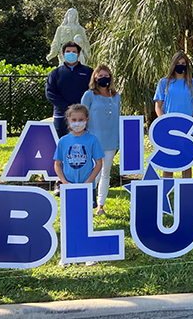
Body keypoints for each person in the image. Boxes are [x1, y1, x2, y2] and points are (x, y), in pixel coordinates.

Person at [54, 104, 105, 266]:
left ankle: (87, 253)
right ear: (68, 121)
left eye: (81, 120)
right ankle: (67, 254)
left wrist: (89, 181)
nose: (77, 122)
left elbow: (98, 163)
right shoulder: (64, 141)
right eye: (74, 120)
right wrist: (64, 181)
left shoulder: (92, 140)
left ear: (87, 120)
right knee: (68, 220)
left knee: (85, 220)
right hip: (69, 188)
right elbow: (57, 164)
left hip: (86, 188)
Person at [46, 41, 93, 195]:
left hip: (83, 118)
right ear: (63, 54)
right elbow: (50, 93)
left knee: (84, 149)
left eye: (74, 51)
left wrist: (81, 111)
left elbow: (94, 91)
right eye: (68, 51)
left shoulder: (88, 72)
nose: (70, 53)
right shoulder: (56, 73)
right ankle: (60, 182)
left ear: (79, 54)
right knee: (63, 149)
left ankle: (87, 182)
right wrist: (68, 108)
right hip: (61, 116)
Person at [153, 51, 193, 178]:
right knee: (168, 163)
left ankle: (186, 192)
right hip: (169, 130)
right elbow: (158, 106)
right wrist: (164, 123)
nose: (181, 66)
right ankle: (166, 193)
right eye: (178, 63)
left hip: (187, 130)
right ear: (173, 65)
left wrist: (191, 125)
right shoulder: (164, 82)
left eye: (183, 63)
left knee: (186, 163)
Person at [81, 65, 120, 216]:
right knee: (93, 173)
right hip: (93, 141)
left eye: (107, 75)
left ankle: (100, 206)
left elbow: (118, 118)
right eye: (100, 75)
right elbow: (82, 116)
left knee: (106, 173)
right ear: (95, 78)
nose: (104, 77)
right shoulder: (89, 95)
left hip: (111, 141)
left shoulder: (117, 96)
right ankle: (86, 202)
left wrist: (119, 141)